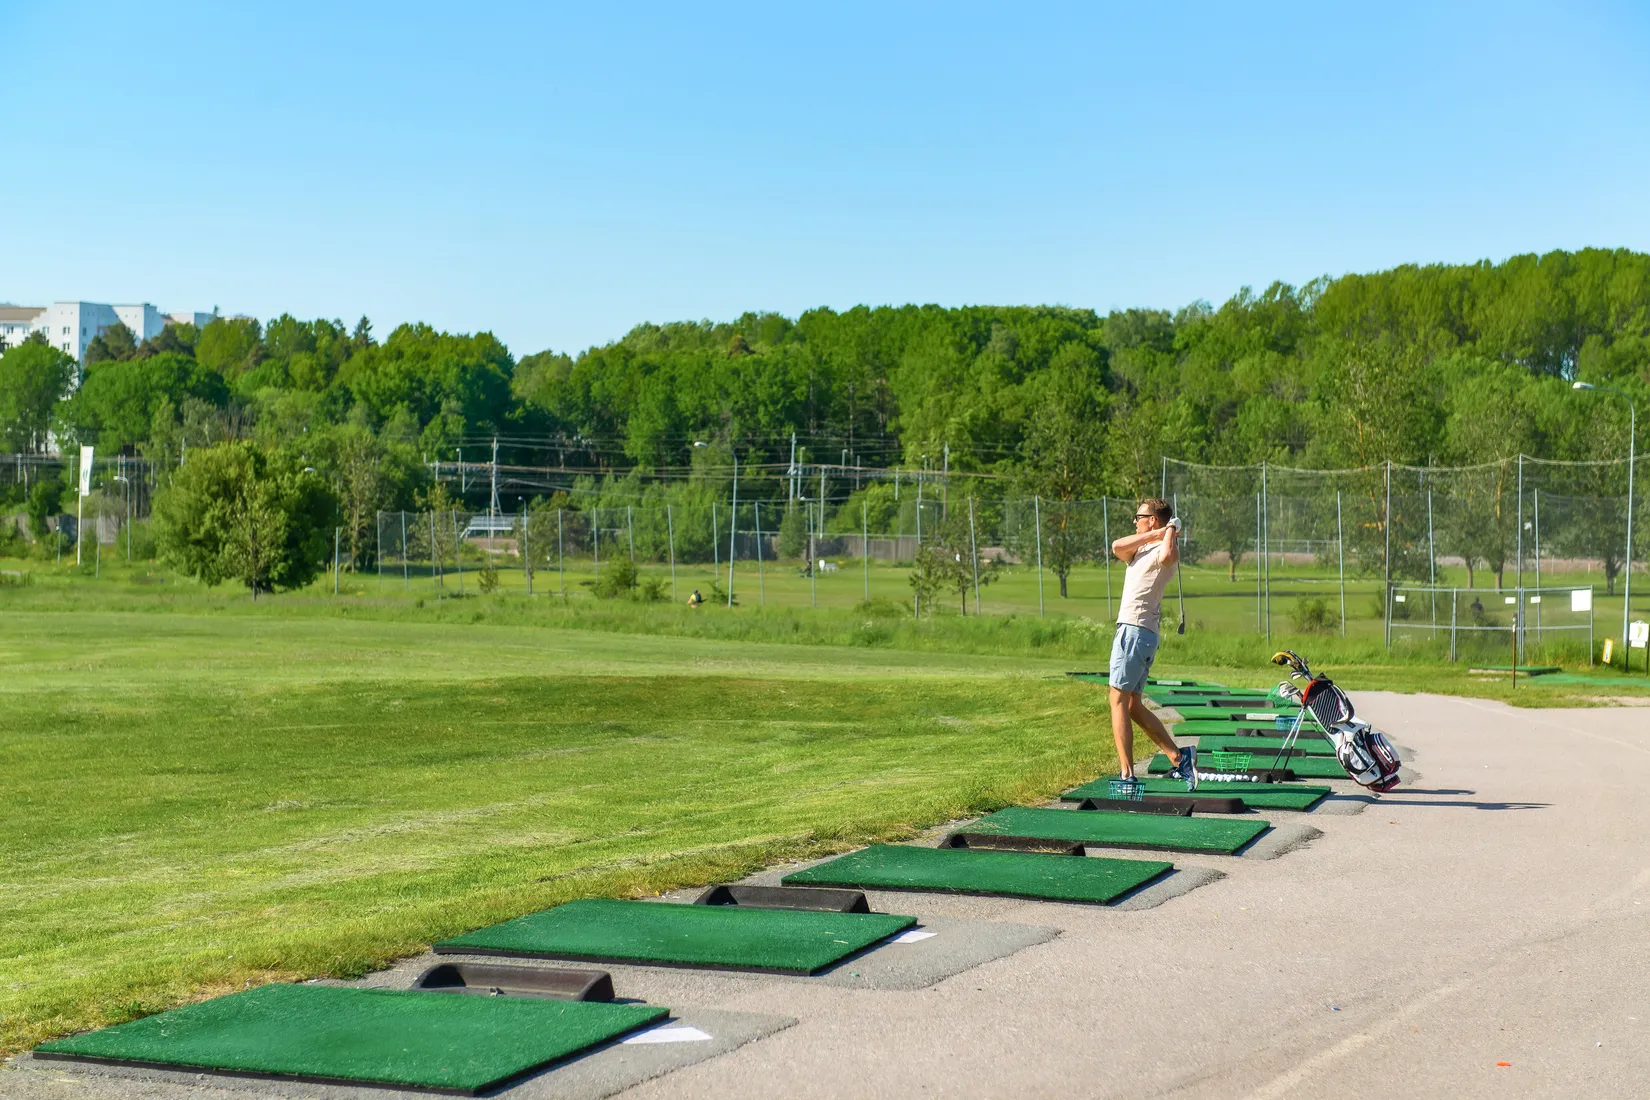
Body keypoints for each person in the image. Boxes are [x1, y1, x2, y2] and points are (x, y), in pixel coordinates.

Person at [1109, 497, 1197, 789]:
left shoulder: (1164, 549)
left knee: (1118, 700)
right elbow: (1116, 546)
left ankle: (1127, 776)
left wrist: (1169, 531)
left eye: (1139, 516)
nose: (1135, 521)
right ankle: (1178, 758)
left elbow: (1169, 554)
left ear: (1153, 519)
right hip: (1139, 634)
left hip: (1135, 631)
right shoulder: (1140, 547)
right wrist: (1159, 531)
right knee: (1133, 705)